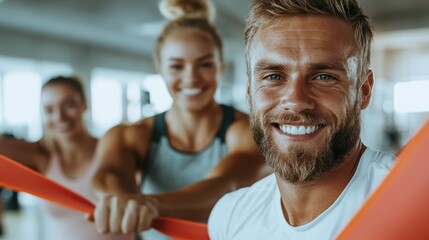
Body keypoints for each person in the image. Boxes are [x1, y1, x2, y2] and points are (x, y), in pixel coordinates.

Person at [208, 0, 397, 239]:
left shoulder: (413, 203)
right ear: (249, 93)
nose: (296, 101)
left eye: (324, 77)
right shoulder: (231, 216)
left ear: (364, 91)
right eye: (274, 76)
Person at [91, 0, 270, 239]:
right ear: (160, 68)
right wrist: (118, 199)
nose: (191, 78)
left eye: (204, 64)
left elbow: (225, 186)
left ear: (220, 66)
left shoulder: (246, 131)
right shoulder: (130, 135)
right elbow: (110, 174)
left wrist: (147, 204)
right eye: (176, 66)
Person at [0, 76, 134, 240]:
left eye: (68, 105)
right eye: (49, 110)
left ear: (84, 105)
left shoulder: (110, 150)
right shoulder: (41, 156)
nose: (59, 117)